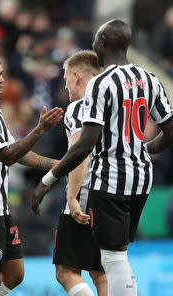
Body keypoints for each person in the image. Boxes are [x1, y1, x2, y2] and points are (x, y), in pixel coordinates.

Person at [32, 19, 173, 296]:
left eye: (96, 40)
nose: (94, 44)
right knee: (116, 255)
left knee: (112, 258)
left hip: (110, 179)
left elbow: (85, 143)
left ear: (104, 43)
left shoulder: (100, 83)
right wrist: (146, 149)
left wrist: (47, 180)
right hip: (142, 179)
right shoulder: (150, 78)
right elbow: (170, 129)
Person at [0, 52, 63, 296]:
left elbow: (17, 152)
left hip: (1, 205)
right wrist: (40, 130)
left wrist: (59, 164)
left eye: (2, 74)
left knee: (16, 274)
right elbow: (7, 156)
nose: (1, 80)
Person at [53, 50, 107, 296]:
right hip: (114, 190)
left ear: (76, 76)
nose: (66, 88)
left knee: (66, 270)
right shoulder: (111, 105)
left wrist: (72, 196)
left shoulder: (79, 107)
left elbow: (79, 150)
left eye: (65, 80)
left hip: (85, 192)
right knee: (101, 270)